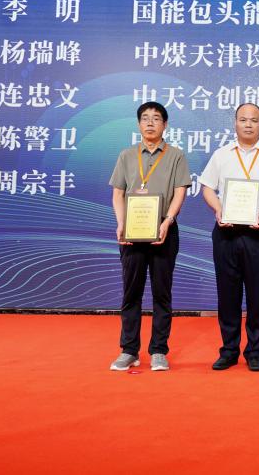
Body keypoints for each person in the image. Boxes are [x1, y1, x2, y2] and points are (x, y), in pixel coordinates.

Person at [199, 103, 259, 372]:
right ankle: (228, 350)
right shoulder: (221, 155)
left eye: (254, 120)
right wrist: (218, 208)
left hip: (258, 231)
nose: (248, 124)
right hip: (226, 231)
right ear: (235, 123)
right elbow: (207, 187)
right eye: (243, 119)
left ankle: (254, 352)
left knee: (257, 294)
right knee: (228, 294)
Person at [108, 102, 190, 372]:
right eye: (145, 118)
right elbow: (118, 193)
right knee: (131, 292)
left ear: (165, 124)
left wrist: (168, 221)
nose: (150, 123)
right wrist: (121, 223)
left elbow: (180, 191)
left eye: (156, 118)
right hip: (132, 233)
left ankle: (158, 351)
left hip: (164, 231)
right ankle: (129, 350)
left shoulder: (176, 155)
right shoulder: (127, 155)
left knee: (161, 293)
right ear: (138, 124)